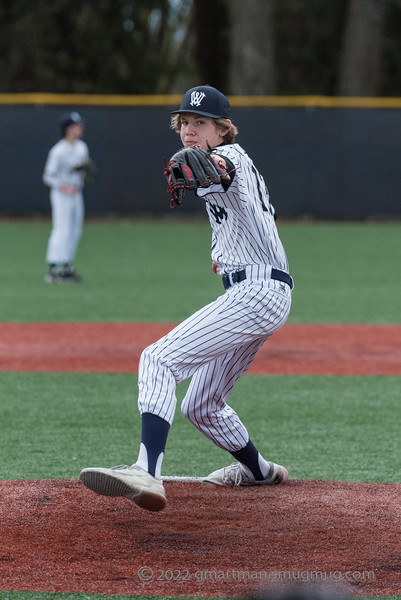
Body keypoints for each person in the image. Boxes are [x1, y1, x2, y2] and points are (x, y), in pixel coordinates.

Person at [80, 85, 294, 512]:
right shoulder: (221, 163)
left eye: (201, 123)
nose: (190, 130)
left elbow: (221, 168)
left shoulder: (231, 156)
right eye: (185, 123)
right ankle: (259, 470)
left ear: (222, 129)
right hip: (262, 290)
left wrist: (213, 163)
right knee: (202, 405)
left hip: (257, 290)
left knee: (157, 359)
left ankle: (147, 471)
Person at [43, 111, 90, 283]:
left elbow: (82, 171)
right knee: (61, 229)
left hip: (77, 192)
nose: (80, 128)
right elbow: (48, 176)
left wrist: (84, 173)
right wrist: (64, 186)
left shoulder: (81, 147)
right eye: (77, 125)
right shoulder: (58, 150)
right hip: (62, 194)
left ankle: (67, 267)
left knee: (75, 230)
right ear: (68, 129)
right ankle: (54, 268)